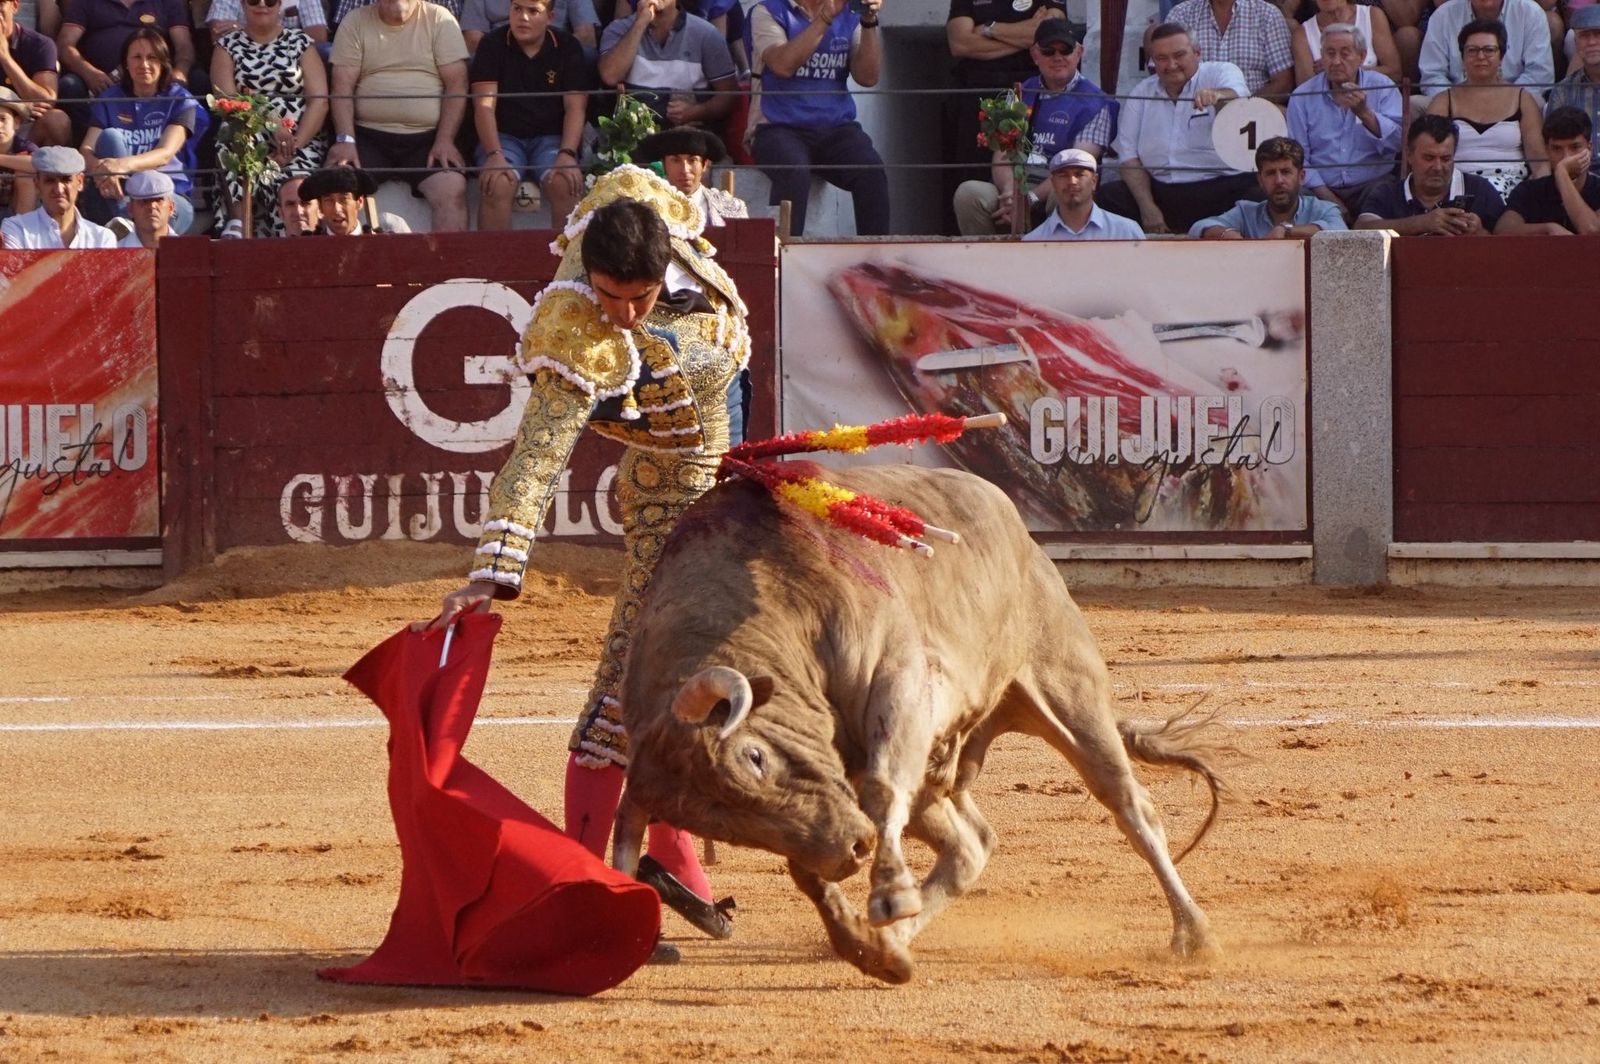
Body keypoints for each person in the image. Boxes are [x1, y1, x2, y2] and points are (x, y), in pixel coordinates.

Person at [422, 165, 751, 944]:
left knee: (690, 688)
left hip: (723, 489)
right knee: (625, 686)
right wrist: (491, 571)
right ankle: (583, 882)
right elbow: (536, 456)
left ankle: (668, 864)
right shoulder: (580, 332)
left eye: (637, 299)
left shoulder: (664, 236)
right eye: (609, 296)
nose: (623, 314)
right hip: (666, 507)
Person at [952, 20, 1119, 236]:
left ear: (1079, 52)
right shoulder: (1018, 93)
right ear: (1034, 55)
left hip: (1057, 185)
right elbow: (1002, 154)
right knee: (969, 193)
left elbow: (1076, 167)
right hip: (1015, 187)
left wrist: (1028, 201)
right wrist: (1010, 194)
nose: (1057, 57)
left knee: (1067, 191)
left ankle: (1058, 262)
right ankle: (985, 261)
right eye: (1048, 51)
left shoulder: (1097, 103)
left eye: (1065, 50)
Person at [1095, 23, 1257, 235]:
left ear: (1197, 53)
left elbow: (1238, 95)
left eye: (1179, 55)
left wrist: (1218, 95)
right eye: (1161, 58)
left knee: (1258, 197)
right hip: (1162, 192)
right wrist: (1148, 207)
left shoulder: (1220, 72)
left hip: (1220, 187)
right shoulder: (1142, 92)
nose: (1171, 65)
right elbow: (1129, 159)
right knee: (1108, 196)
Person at [748, 0, 890, 236]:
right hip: (776, 126)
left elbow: (868, 77)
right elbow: (783, 65)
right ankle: (783, 260)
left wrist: (868, 21)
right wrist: (825, 18)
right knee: (794, 172)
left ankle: (875, 261)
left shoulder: (849, 14)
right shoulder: (767, 11)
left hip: (835, 126)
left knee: (871, 171)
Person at [328, 0, 471, 232]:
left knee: (452, 189)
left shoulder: (439, 19)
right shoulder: (354, 21)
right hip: (368, 137)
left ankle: (449, 268)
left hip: (427, 139)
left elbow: (457, 83)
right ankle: (338, 267)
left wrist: (445, 139)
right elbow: (341, 87)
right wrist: (346, 140)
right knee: (335, 186)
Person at [943, 0, 1068, 229]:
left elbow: (1050, 34)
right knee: (974, 185)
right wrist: (1027, 34)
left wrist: (990, 29)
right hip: (977, 99)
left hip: (1033, 93)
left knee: (1035, 167)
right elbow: (961, 44)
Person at [211, 0, 330, 237]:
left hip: (299, 141)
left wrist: (293, 146)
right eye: (254, 0)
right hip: (250, 135)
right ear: (243, 4)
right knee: (232, 133)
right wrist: (270, 120)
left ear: (280, 5)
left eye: (271, 0)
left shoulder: (301, 43)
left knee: (292, 189)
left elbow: (320, 101)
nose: (262, 5)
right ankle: (239, 223)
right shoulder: (226, 47)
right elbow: (228, 100)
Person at [470, 0, 588, 231]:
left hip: (552, 139)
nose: (523, 17)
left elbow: (576, 107)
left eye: (533, 11)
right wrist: (494, 154)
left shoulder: (568, 46)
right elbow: (484, 107)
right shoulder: (491, 44)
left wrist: (567, 153)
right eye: (517, 9)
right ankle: (493, 266)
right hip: (503, 138)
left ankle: (567, 266)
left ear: (550, 17)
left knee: (566, 182)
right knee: (497, 182)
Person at [79, 27, 207, 237]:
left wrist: (120, 165)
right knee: (110, 137)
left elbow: (165, 154)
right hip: (112, 196)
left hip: (169, 199)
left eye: (152, 57)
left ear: (163, 62)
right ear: (126, 64)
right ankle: (127, 221)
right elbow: (85, 150)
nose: (144, 64)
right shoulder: (110, 98)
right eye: (137, 57)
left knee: (153, 204)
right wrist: (105, 170)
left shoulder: (180, 99)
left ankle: (127, 229)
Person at [1287, 21, 1404, 215]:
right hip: (1320, 188)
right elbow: (1299, 157)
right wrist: (1327, 196)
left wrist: (1365, 114)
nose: (1336, 61)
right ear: (1322, 57)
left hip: (1372, 184)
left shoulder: (1383, 87)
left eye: (1345, 53)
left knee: (1387, 194)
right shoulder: (1302, 96)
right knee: (1295, 194)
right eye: (1330, 53)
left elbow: (1398, 144)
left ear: (1362, 56)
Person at [1424, 18, 1547, 196]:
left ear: (1502, 56)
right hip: (1458, 188)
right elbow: (1430, 153)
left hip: (1513, 189)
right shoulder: (1444, 101)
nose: (1480, 56)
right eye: (1472, 50)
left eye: (1489, 50)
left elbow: (1539, 160)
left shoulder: (1522, 99)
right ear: (1462, 56)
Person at [56, 0, 199, 129]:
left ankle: (196, 153)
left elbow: (183, 44)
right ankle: (88, 148)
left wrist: (181, 70)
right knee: (69, 85)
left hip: (154, 76)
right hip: (100, 80)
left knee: (199, 80)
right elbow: (65, 44)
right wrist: (89, 73)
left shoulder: (168, 2)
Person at [1355, 111, 1505, 232]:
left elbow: (1507, 241)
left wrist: (1478, 233)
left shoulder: (1479, 189)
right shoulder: (1387, 193)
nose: (1438, 167)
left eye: (1446, 158)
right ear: (1409, 155)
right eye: (1429, 158)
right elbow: (1361, 230)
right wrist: (1421, 223)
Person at [598, 0, 737, 129]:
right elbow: (610, 75)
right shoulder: (618, 29)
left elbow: (728, 95)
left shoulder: (706, 34)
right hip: (634, 138)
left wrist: (697, 112)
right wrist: (640, 23)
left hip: (689, 138)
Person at [1190, 135, 1349, 235]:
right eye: (1271, 173)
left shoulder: (1322, 209)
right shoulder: (1246, 213)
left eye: (1286, 172)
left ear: (1301, 177)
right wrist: (1227, 234)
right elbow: (1199, 227)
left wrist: (1286, 231)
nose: (1279, 180)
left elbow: (1340, 232)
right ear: (1260, 180)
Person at [1496, 105, 1600, 232]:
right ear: (1547, 150)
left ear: (1589, 149)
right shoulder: (1529, 191)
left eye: (1575, 147)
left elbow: (1592, 231)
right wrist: (1548, 229)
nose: (1566, 157)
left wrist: (1562, 174)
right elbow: (1503, 230)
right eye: (1557, 149)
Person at [1166, 0, 1294, 99]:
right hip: (1193, 113)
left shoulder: (1267, 15)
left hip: (1252, 115)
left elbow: (1283, 82)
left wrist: (1240, 106)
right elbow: (1167, 72)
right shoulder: (1181, 14)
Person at [1418, 0, 1553, 94]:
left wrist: (1507, 98)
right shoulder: (1443, 15)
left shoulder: (1531, 12)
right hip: (1455, 100)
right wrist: (1453, 100)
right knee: (1414, 106)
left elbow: (1540, 74)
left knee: (1540, 106)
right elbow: (1432, 75)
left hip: (1514, 100)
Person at [0, 142, 115, 245]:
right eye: (50, 181)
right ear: (37, 185)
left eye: (66, 180)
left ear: (80, 182)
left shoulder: (102, 238)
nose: (59, 189)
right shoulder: (17, 229)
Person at [1022, 147, 1145, 239]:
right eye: (1063, 175)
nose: (1072, 181)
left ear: (1094, 181)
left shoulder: (1126, 233)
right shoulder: (1034, 240)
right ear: (1053, 183)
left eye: (1079, 174)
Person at [635, 124, 746, 223]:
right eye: (675, 160)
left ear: (705, 165)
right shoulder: (646, 208)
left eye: (692, 160)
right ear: (664, 165)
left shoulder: (731, 207)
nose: (685, 170)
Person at [1, 0, 68, 148]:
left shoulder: (39, 44)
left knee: (57, 120)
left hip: (22, 123)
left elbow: (46, 101)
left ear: (15, 6)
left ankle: (35, 169)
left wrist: (5, 56)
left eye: (0, 4)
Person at [1289, 0, 1402, 83]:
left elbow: (1395, 73)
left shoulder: (1372, 16)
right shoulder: (1302, 34)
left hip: (1374, 101)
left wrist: (1344, 70)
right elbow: (1306, 90)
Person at [1547, 5, 1600, 161]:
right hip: (1579, 177)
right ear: (1575, 42)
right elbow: (1554, 147)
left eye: (1598, 34)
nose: (1591, 42)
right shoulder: (1563, 91)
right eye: (1584, 36)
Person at [298, 164, 413, 232]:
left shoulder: (380, 243)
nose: (337, 209)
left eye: (344, 199)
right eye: (328, 201)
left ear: (360, 202)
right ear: (321, 208)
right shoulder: (310, 247)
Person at [461, 0, 599, 55]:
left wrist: (544, 55)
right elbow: (473, 41)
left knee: (588, 56)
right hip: (500, 56)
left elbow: (586, 36)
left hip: (555, 54)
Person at [208, 0, 330, 47]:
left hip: (292, 54)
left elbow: (318, 36)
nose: (262, 4)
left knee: (324, 50)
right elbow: (219, 33)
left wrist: (242, 29)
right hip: (242, 54)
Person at [0, 86, 37, 216]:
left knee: (24, 174)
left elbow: (38, 163)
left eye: (3, 119)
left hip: (14, 211)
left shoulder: (22, 146)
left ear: (16, 123)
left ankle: (22, 229)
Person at [118, 167, 174, 246]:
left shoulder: (188, 250)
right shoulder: (116, 252)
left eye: (158, 200)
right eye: (144, 201)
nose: (152, 206)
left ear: (171, 207)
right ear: (130, 209)